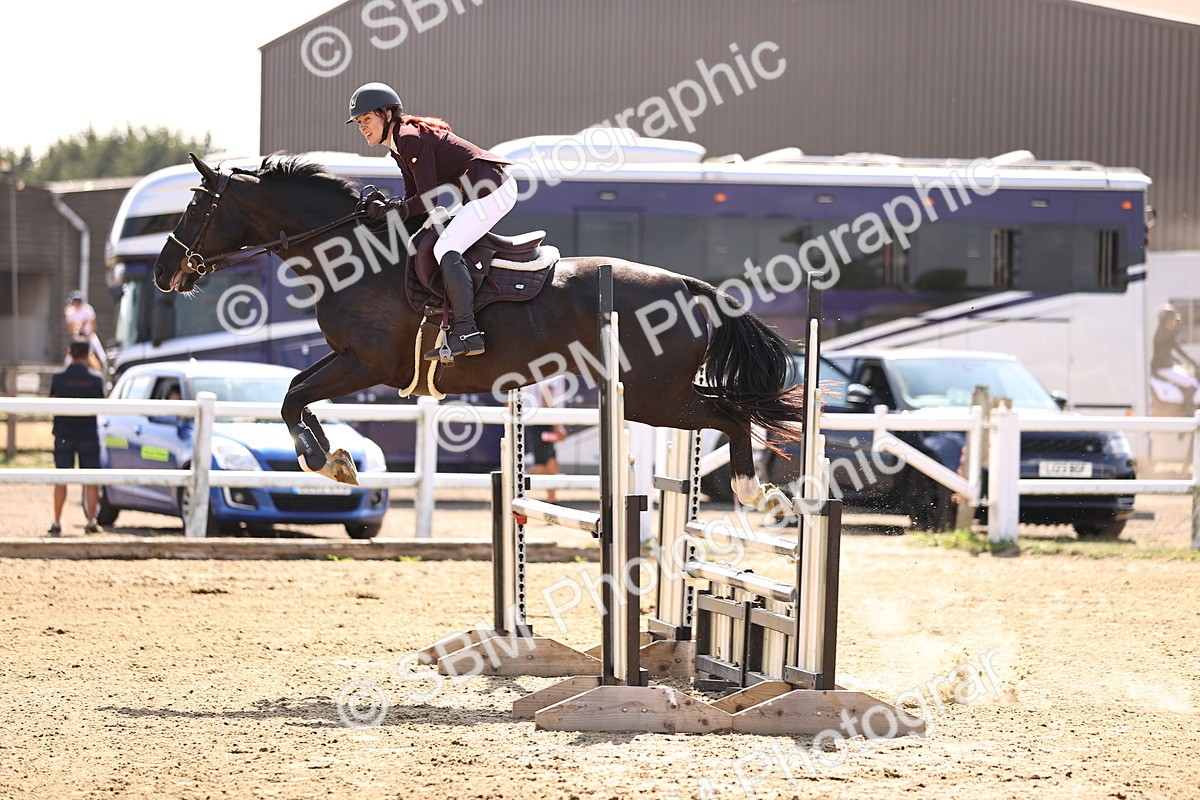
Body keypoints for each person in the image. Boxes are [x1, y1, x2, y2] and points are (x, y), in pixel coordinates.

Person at [347, 82, 518, 361]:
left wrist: (395, 211)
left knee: (445, 249)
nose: (362, 127)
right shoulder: (398, 146)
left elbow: (427, 200)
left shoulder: (409, 138)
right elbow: (412, 197)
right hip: (480, 194)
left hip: (493, 192)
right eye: (358, 122)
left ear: (387, 114)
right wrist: (392, 212)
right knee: (433, 239)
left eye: (367, 119)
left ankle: (466, 331)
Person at [48, 339, 107, 535]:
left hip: (64, 433)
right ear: (88, 353)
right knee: (91, 478)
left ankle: (56, 521)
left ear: (69, 352)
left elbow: (52, 402)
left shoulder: (58, 377)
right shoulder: (96, 379)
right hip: (88, 433)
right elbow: (101, 405)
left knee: (61, 477)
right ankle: (91, 520)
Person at [525, 377, 570, 504]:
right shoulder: (553, 370)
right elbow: (546, 400)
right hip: (543, 421)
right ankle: (508, 490)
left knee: (552, 464)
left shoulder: (535, 368)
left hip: (536, 421)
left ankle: (552, 501)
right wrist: (557, 426)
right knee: (541, 467)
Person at [1150, 303, 1200, 411]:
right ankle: (1187, 412)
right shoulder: (1166, 335)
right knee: (1192, 383)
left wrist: (1183, 363)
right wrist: (1194, 363)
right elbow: (1179, 351)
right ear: (1165, 320)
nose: (1173, 322)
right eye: (1171, 319)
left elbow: (1168, 353)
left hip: (1167, 366)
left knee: (1187, 374)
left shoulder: (1162, 333)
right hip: (1163, 368)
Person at [63, 291, 107, 374]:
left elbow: (93, 324)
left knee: (101, 354)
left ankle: (104, 371)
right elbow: (70, 328)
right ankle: (66, 372)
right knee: (68, 358)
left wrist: (86, 331)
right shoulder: (70, 311)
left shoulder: (88, 310)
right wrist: (76, 329)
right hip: (77, 337)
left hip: (89, 335)